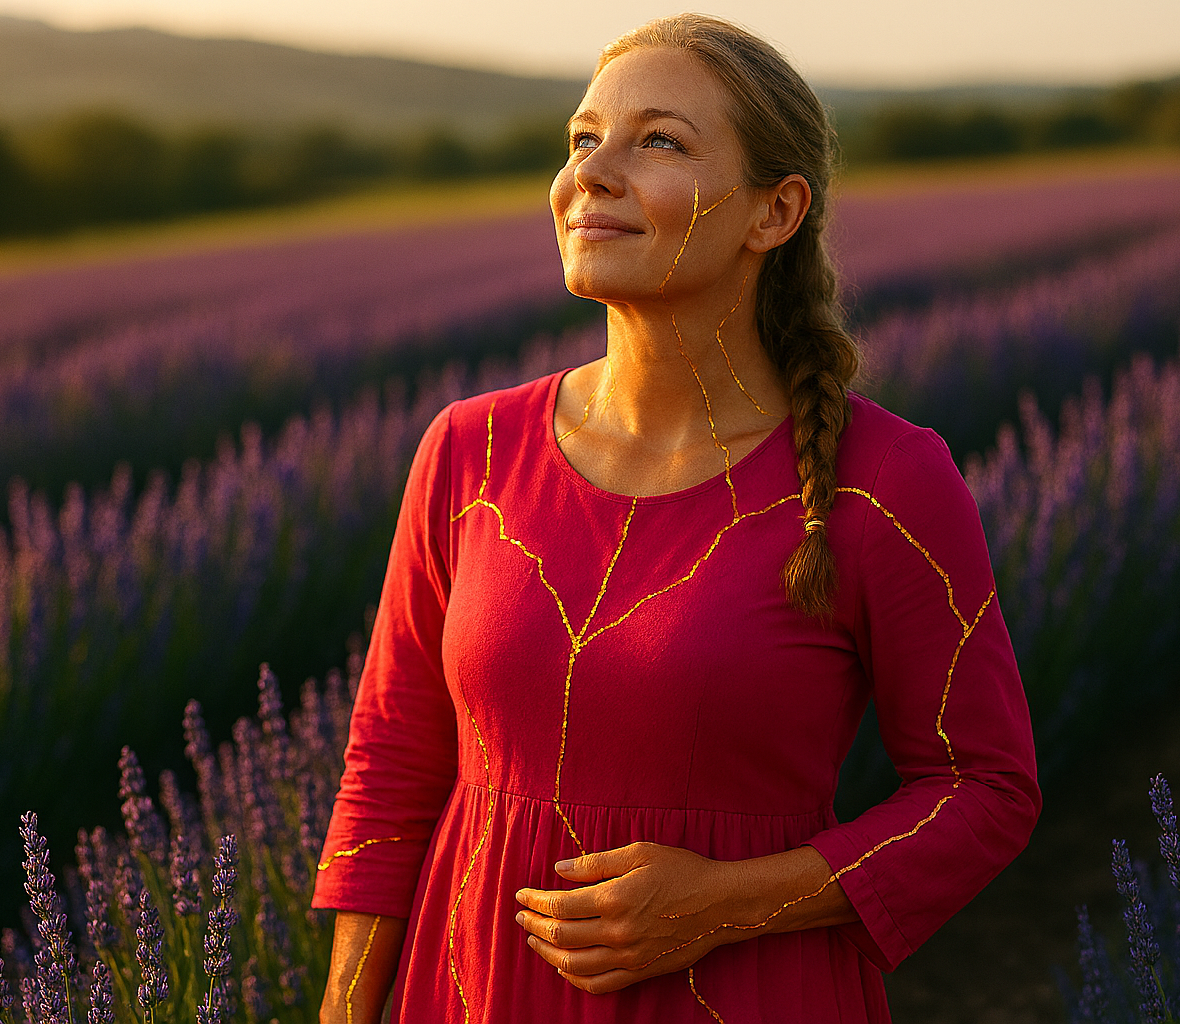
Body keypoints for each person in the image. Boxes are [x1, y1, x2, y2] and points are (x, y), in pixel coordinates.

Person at [311, 13, 1039, 1023]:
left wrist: (724, 904)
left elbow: (985, 789)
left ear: (773, 212)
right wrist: (346, 1011)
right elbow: (393, 760)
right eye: (582, 138)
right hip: (476, 988)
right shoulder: (468, 451)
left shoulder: (887, 480)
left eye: (657, 140)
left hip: (747, 992)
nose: (593, 173)